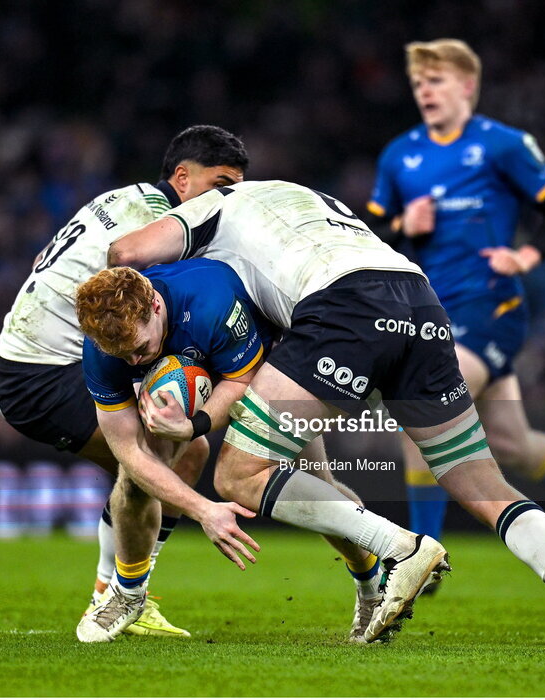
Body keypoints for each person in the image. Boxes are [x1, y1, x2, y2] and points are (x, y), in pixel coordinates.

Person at [104, 179, 545, 651]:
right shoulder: (303, 194)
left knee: (238, 475)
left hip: (342, 308)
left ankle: (401, 548)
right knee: (481, 481)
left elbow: (124, 251)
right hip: (417, 297)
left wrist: (114, 305)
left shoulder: (209, 207)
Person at [366, 39, 545, 561]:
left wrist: (528, 256)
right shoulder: (400, 155)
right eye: (419, 82)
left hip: (490, 308)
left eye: (437, 80)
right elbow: (370, 229)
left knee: (420, 406)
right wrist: (403, 224)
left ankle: (423, 554)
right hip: (432, 313)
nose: (426, 89)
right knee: (513, 443)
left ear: (467, 86)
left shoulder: (503, 144)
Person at [0, 125, 249, 637]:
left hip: (39, 360)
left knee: (187, 445)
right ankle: (116, 597)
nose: (227, 200)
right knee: (149, 464)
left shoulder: (125, 200)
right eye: (220, 185)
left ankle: (125, 591)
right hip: (45, 374)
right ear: (182, 177)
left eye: (235, 188)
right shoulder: (157, 226)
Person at [74, 261, 382, 643]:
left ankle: (373, 587)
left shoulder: (210, 303)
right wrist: (204, 510)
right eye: (123, 357)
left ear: (154, 306)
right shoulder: (105, 349)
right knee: (135, 481)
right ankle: (130, 593)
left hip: (267, 371)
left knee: (318, 489)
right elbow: (130, 452)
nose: (134, 362)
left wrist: (194, 425)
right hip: (193, 387)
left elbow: (242, 381)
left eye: (139, 349)